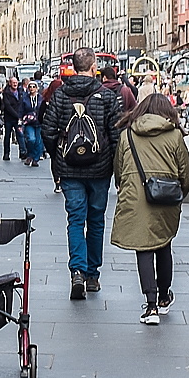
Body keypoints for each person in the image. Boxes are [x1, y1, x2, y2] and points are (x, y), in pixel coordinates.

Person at [41, 47, 121, 300]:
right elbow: (117, 134)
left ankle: (77, 270)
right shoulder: (107, 97)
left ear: (74, 67)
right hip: (99, 169)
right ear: (94, 66)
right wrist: (114, 163)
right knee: (96, 220)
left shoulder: (61, 94)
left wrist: (58, 155)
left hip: (70, 169)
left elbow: (48, 130)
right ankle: (92, 275)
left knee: (75, 219)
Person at [110, 94, 189, 325]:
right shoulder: (175, 136)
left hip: (136, 197)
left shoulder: (128, 135)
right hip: (166, 199)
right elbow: (186, 171)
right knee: (163, 244)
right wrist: (180, 193)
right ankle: (165, 297)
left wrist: (123, 185)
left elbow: (119, 168)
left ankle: (151, 305)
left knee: (143, 248)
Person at [40, 78, 63, 191]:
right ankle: (61, 179)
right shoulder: (63, 99)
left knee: (54, 158)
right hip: (62, 133)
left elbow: (40, 117)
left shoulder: (46, 100)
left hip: (50, 134)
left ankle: (57, 181)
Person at [18, 80, 43, 167]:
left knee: (38, 141)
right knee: (31, 139)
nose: (32, 88)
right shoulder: (25, 98)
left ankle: (36, 159)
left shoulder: (41, 98)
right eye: (30, 87)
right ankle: (30, 155)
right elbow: (21, 110)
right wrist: (20, 120)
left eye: (33, 87)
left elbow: (44, 109)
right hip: (29, 122)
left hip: (39, 122)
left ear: (37, 88)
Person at [1, 76, 25, 161]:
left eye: (16, 82)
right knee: (7, 136)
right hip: (9, 118)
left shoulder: (21, 91)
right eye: (13, 82)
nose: (15, 84)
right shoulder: (6, 93)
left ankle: (22, 152)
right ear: (10, 83)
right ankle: (6, 153)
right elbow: (7, 106)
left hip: (18, 118)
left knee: (20, 135)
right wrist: (17, 115)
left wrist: (21, 116)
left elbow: (22, 103)